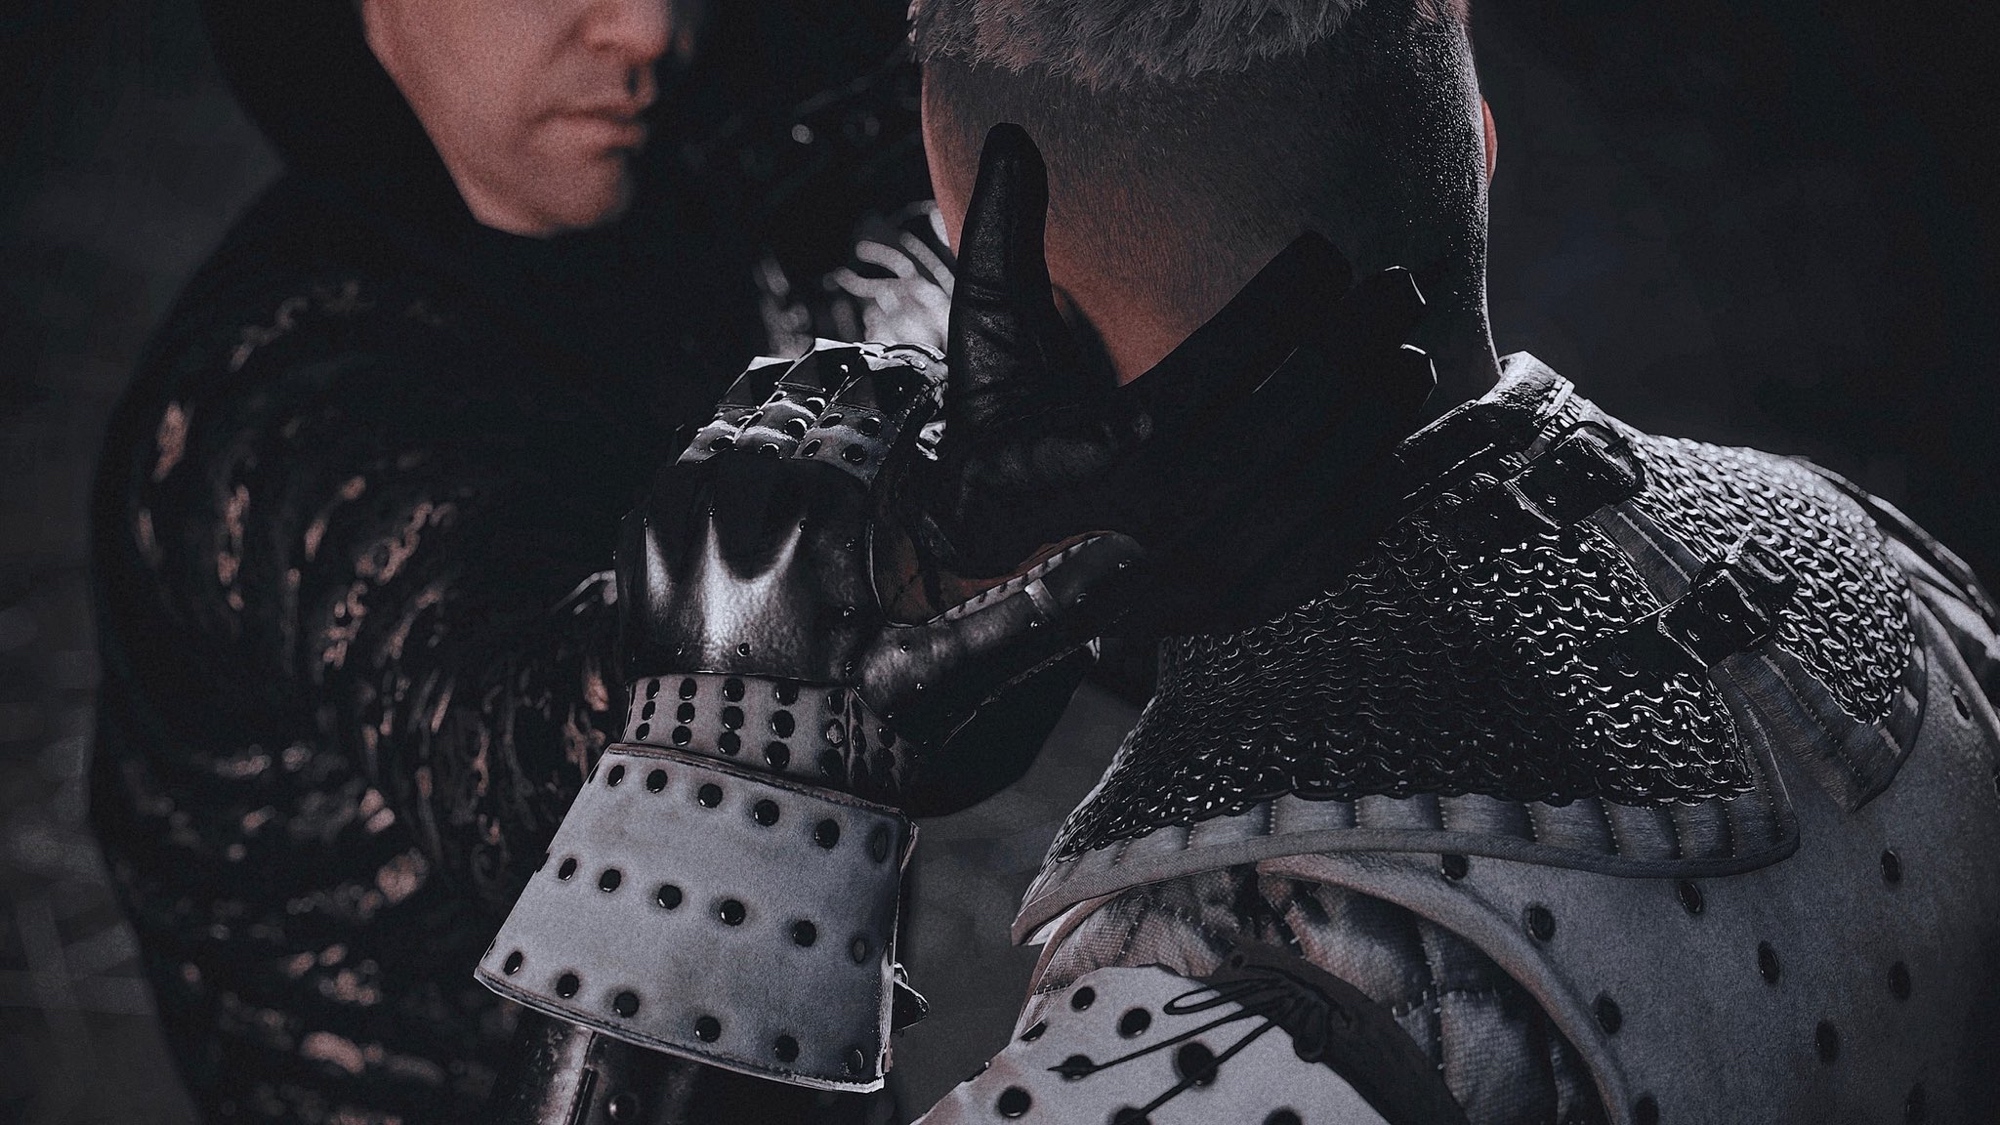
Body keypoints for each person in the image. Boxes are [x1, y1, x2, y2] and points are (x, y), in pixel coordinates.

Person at [482, 0, 2000, 1121]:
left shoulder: (1227, 1012)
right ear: (1474, 147)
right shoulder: (1876, 566)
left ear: (1008, 320)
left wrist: (727, 779)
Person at [85, 0, 924, 1121]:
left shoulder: (687, 183)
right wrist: (848, 597)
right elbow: (523, 767)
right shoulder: (284, 401)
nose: (648, 29)